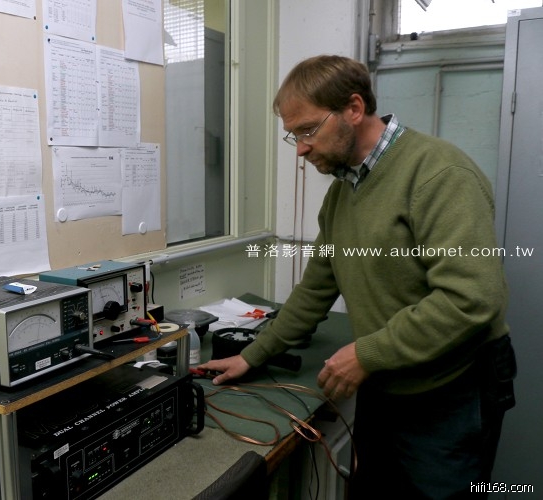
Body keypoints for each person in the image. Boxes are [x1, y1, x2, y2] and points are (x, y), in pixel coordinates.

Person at [197, 55, 516, 499]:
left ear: (353, 108)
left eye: (308, 130)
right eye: (294, 135)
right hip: (387, 378)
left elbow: (472, 298)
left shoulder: (439, 174)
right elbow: (315, 289)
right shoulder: (344, 192)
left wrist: (366, 353)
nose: (300, 149)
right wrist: (253, 355)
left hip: (451, 388)